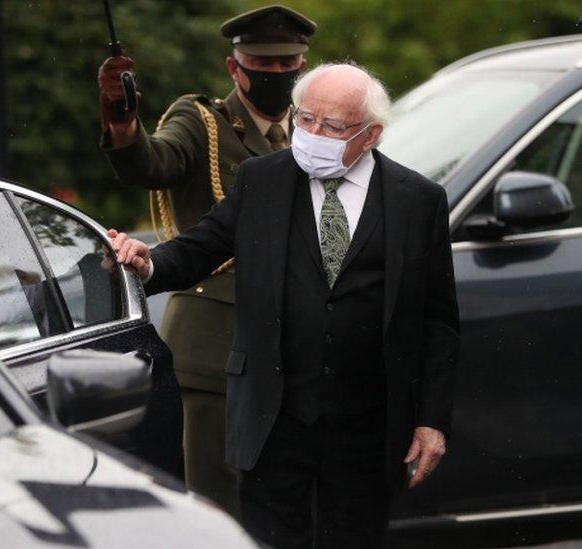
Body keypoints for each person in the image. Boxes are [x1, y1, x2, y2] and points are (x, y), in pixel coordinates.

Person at [110, 63, 459, 548]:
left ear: (371, 134)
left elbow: (437, 320)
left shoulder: (417, 200)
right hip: (274, 418)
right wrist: (148, 264)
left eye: (332, 126)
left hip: (369, 424)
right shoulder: (262, 180)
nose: (314, 134)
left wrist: (431, 420)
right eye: (306, 119)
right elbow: (200, 247)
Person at [97, 5, 317, 518]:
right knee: (216, 505)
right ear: (234, 67)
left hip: (293, 345)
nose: (277, 76)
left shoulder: (314, 132)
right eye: (263, 65)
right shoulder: (203, 123)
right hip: (217, 343)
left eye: (289, 66)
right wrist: (123, 123)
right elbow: (152, 162)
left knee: (285, 506)